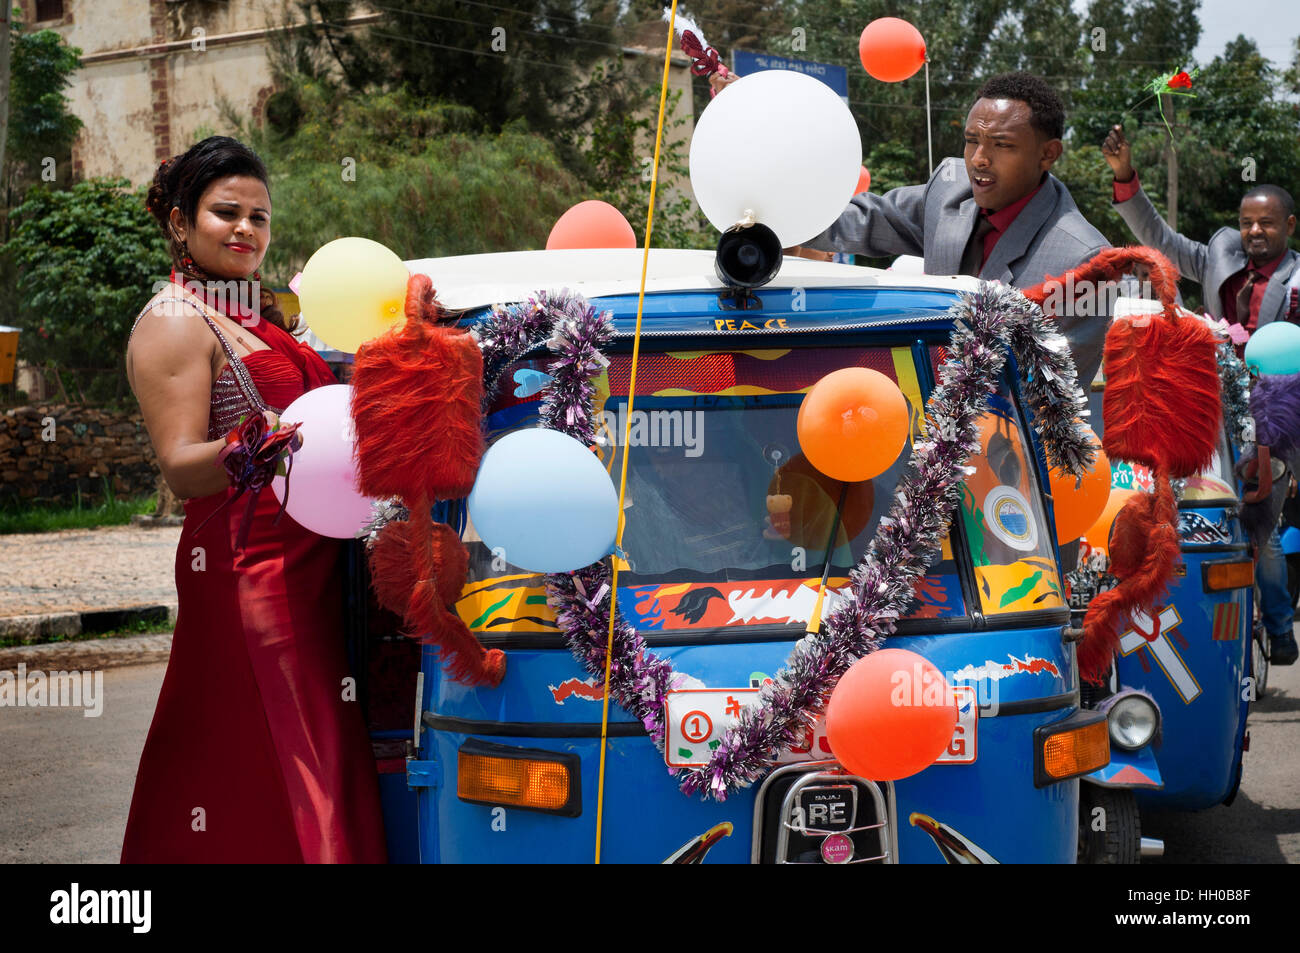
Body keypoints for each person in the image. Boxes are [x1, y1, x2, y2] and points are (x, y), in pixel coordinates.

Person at [121, 136, 388, 861]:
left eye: (259, 217)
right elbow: (180, 465)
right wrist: (259, 444)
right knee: (293, 743)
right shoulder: (173, 322)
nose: (245, 229)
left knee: (314, 740)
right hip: (249, 569)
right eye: (225, 212)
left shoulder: (259, 315)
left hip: (313, 562)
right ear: (181, 223)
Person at [1102, 123, 1300, 665]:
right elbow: (1161, 242)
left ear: (1288, 226)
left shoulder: (1299, 280)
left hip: (1278, 415)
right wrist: (1126, 178)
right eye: (1246, 222)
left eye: (1265, 223)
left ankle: (1281, 625)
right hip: (1208, 411)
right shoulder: (1219, 255)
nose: (1254, 231)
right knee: (1197, 516)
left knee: (1260, 529)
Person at [801, 72, 1114, 391]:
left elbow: (1048, 395)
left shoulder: (1085, 262)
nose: (979, 160)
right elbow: (862, 221)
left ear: (1048, 154)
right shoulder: (948, 189)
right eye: (971, 141)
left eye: (1002, 145)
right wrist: (775, 220)